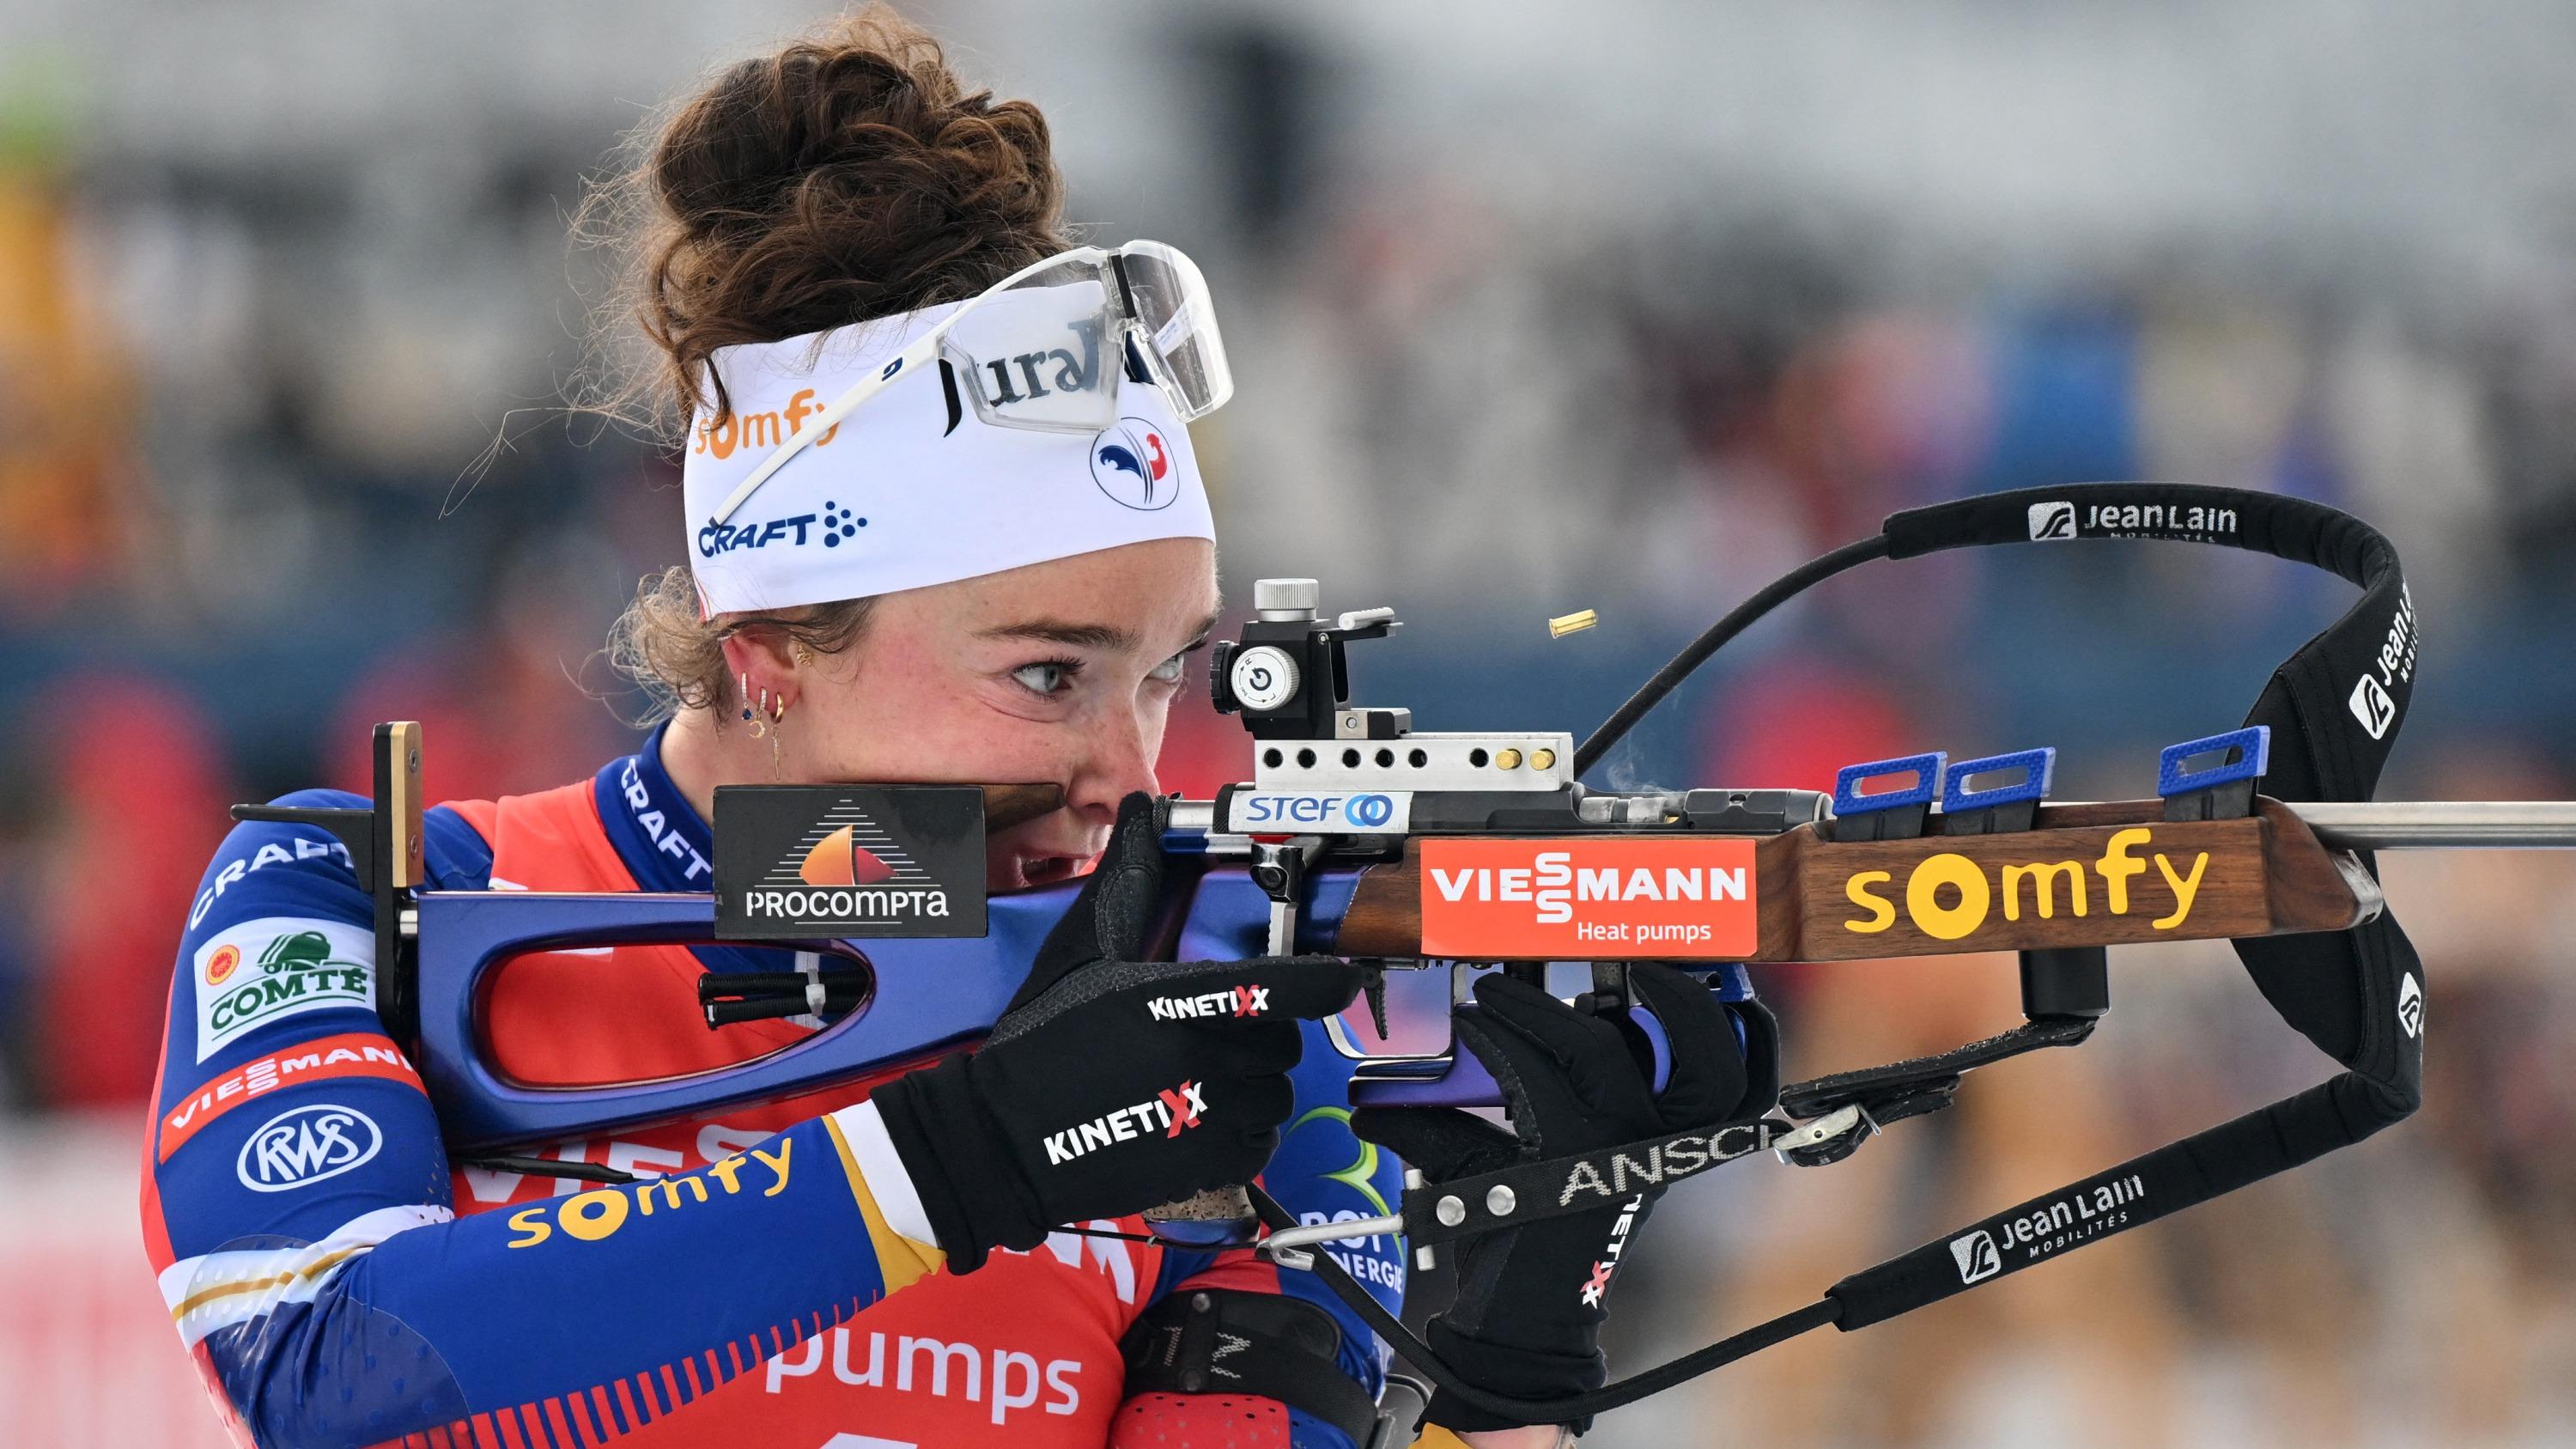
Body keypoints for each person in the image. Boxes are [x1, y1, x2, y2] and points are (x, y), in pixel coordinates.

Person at [140, 11, 1410, 1446]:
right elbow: (331, 1365)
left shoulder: (1201, 990)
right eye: (1050, 677)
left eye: (1170, 672)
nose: (1132, 777)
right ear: (768, 653)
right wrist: (955, 1160)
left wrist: (1520, 1326)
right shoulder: (359, 895)